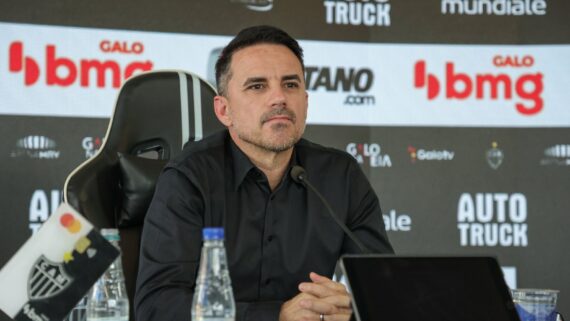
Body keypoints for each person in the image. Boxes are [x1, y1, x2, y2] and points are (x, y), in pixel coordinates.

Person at [134, 25, 394, 321]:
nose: (279, 98)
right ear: (224, 110)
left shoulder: (341, 176)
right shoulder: (189, 178)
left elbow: (384, 290)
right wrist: (277, 316)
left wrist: (352, 306)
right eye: (257, 86)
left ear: (306, 103)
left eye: (291, 85)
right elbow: (156, 306)